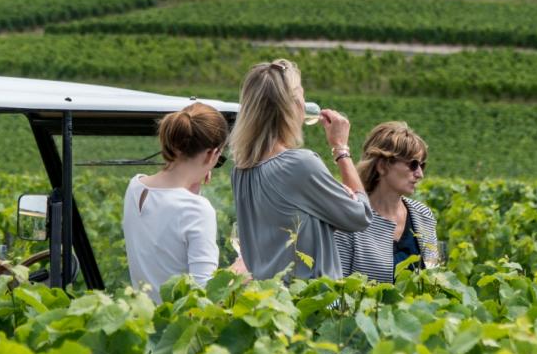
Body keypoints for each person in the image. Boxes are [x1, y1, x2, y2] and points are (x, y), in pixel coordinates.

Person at [230, 59, 372, 280]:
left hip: (269, 304)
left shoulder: (240, 171)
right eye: (302, 95)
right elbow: (360, 216)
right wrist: (340, 148)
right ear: (294, 105)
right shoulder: (299, 165)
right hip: (310, 304)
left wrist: (325, 212)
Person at [123, 102, 228, 302]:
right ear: (212, 154)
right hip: (180, 327)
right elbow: (204, 293)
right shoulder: (197, 209)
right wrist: (239, 272)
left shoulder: (135, 188)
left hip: (144, 321)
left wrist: (192, 190)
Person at [334, 121, 438, 283]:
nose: (419, 174)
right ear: (382, 166)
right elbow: (336, 293)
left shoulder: (423, 215)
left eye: (422, 166)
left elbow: (434, 280)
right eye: (413, 164)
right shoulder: (349, 221)